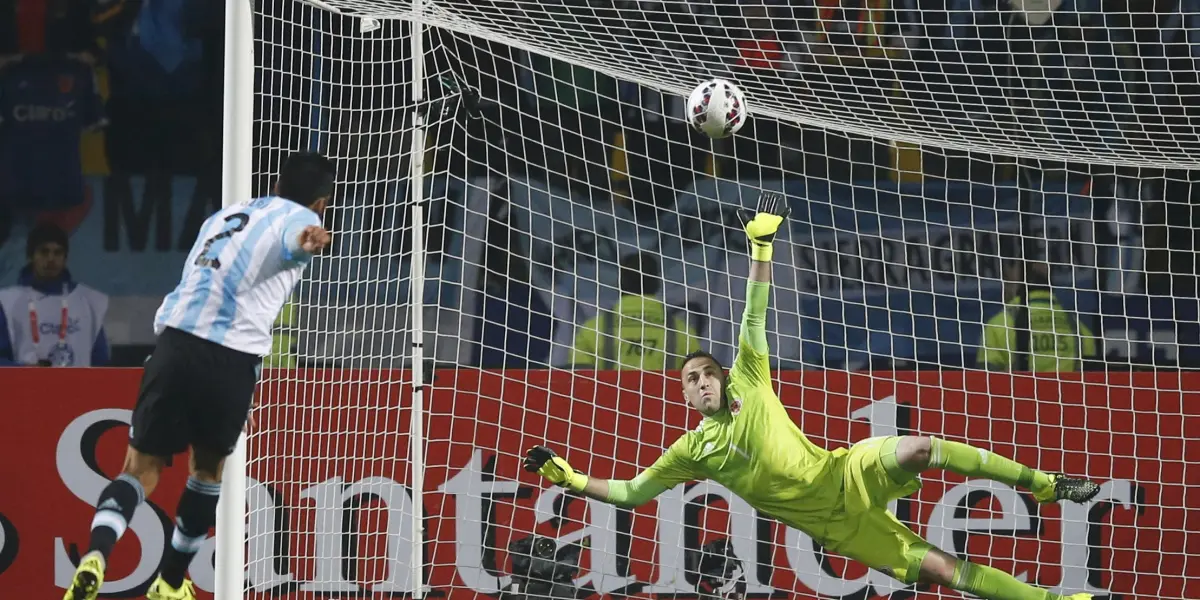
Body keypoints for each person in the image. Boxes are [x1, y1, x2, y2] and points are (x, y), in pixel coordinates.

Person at [525, 192, 1101, 600]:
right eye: (690, 381)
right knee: (946, 571)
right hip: (840, 527)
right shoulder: (692, 450)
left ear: (724, 377)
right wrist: (572, 479)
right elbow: (630, 492)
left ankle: (1043, 483)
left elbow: (754, 316)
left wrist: (762, 249)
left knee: (922, 446)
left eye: (707, 372)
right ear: (687, 398)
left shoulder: (752, 378)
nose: (701, 382)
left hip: (845, 471)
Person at [62, 152, 335, 600]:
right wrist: (309, 238)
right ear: (321, 202)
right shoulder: (303, 218)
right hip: (230, 361)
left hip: (175, 344)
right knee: (208, 471)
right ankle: (170, 582)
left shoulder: (223, 216)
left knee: (138, 469)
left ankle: (97, 554)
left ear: (278, 184)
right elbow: (296, 238)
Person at [0, 222, 109, 366]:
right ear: (30, 256)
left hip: (77, 381)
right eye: (44, 252)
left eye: (57, 253)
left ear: (65, 258)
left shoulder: (88, 302)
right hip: (27, 381)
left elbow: (101, 362)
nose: (51, 259)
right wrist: (25, 370)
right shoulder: (8, 302)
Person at [568, 252, 700, 369]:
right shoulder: (683, 333)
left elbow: (579, 381)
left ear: (620, 282)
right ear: (657, 283)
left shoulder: (592, 330)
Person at [978, 261, 1098, 372]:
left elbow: (985, 379)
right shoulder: (1080, 330)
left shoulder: (998, 325)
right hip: (1067, 388)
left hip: (1020, 388)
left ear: (1015, 285)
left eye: (1007, 282)